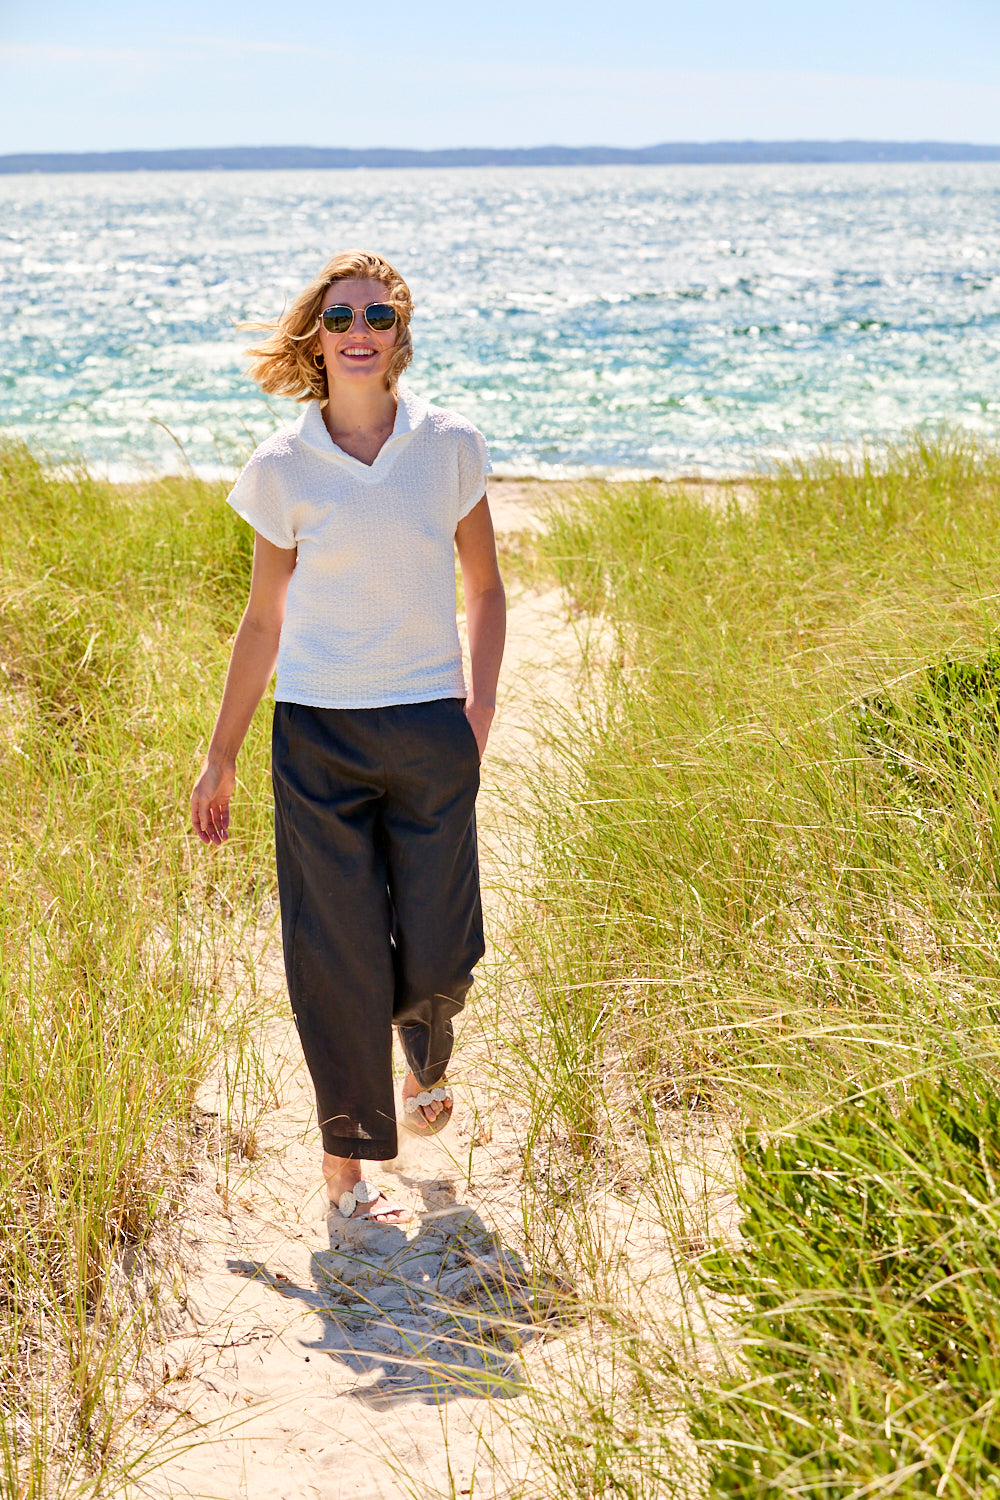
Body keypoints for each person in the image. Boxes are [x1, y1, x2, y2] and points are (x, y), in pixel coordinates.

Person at [190, 250, 505, 1225]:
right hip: (317, 737)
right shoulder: (282, 467)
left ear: (399, 332)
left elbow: (487, 590)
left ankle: (425, 1055)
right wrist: (222, 755)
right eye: (339, 318)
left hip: (430, 728)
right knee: (338, 956)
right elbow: (262, 621)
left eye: (377, 315)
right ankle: (346, 1167)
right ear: (316, 339)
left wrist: (479, 711)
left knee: (443, 951)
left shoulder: (449, 446)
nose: (358, 331)